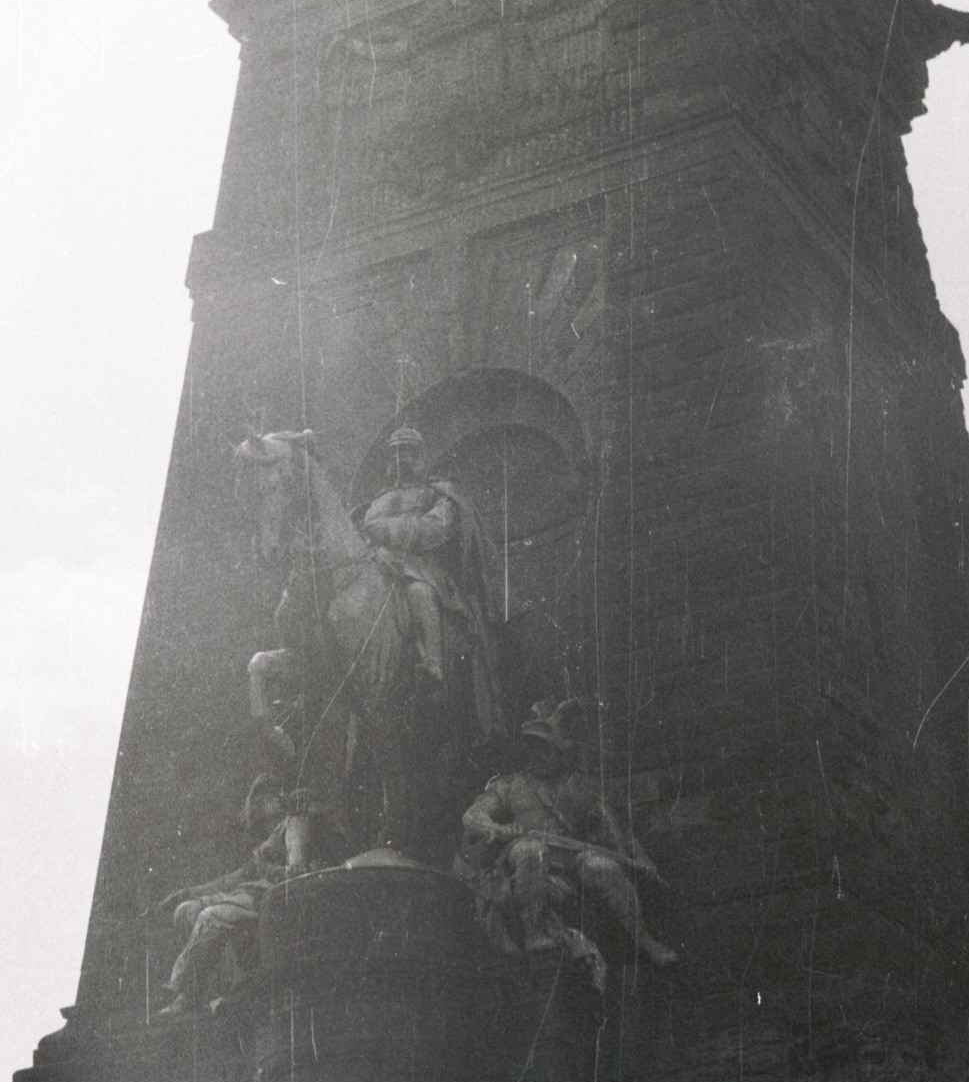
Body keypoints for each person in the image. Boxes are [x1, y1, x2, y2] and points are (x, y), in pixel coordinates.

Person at [456, 700, 677, 991]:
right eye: (534, 748)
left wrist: (639, 860)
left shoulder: (582, 788)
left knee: (602, 866)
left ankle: (643, 938)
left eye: (546, 748)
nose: (539, 755)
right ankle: (535, 932)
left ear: (561, 752)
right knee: (530, 849)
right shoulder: (509, 785)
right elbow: (472, 816)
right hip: (527, 860)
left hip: (571, 866)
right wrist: (497, 829)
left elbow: (616, 833)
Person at [354, 427, 505, 736]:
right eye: (396, 453)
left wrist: (385, 531)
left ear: (420, 456)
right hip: (379, 569)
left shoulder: (437, 493)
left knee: (419, 592)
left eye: (408, 452)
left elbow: (437, 529)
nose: (402, 459)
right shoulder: (375, 501)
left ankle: (433, 663)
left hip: (423, 569)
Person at [155, 778, 347, 1015]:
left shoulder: (296, 823)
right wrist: (185, 894)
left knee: (209, 917)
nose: (264, 801)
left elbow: (296, 871)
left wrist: (265, 868)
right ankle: (217, 993)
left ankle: (186, 991)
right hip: (250, 891)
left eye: (268, 796)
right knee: (186, 910)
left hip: (269, 896)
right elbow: (230, 880)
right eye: (258, 798)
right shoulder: (268, 841)